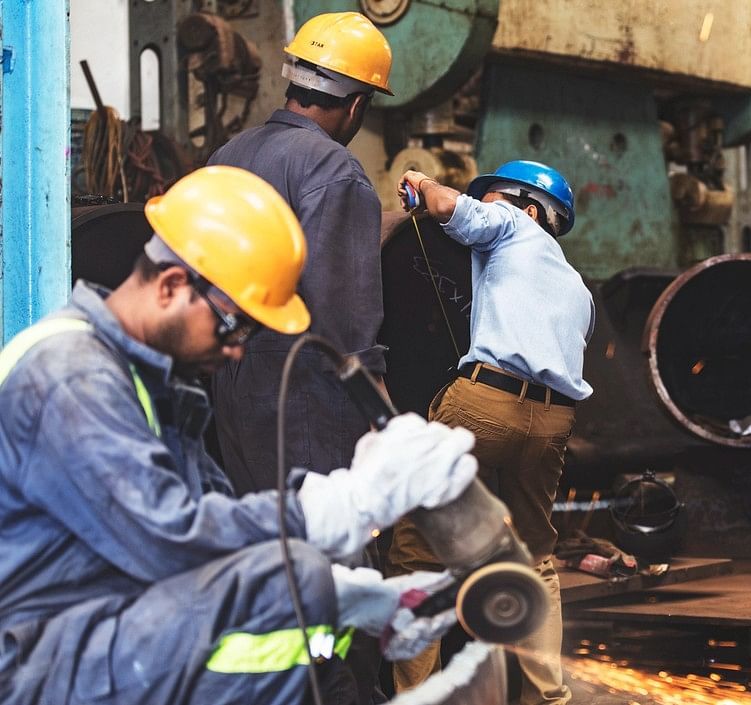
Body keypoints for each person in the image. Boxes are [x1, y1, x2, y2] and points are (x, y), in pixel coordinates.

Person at [0, 166, 474, 705]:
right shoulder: (73, 377)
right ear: (173, 285)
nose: (238, 350)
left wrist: (342, 593)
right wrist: (336, 509)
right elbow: (171, 544)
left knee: (299, 592)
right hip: (36, 659)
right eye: (234, 324)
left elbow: (214, 519)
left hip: (95, 620)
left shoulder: (151, 383)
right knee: (279, 619)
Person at [388, 161, 594, 704]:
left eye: (496, 197)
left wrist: (423, 181)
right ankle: (549, 698)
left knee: (418, 552)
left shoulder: (513, 226)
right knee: (536, 559)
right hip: (553, 421)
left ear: (531, 209)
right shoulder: (578, 287)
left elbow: (447, 208)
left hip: (484, 403)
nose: (489, 205)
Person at [207, 11, 391, 494]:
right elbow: (344, 312)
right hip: (306, 392)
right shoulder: (332, 167)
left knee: (266, 540)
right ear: (355, 107)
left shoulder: (226, 156)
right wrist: (377, 403)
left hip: (231, 384)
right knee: (325, 546)